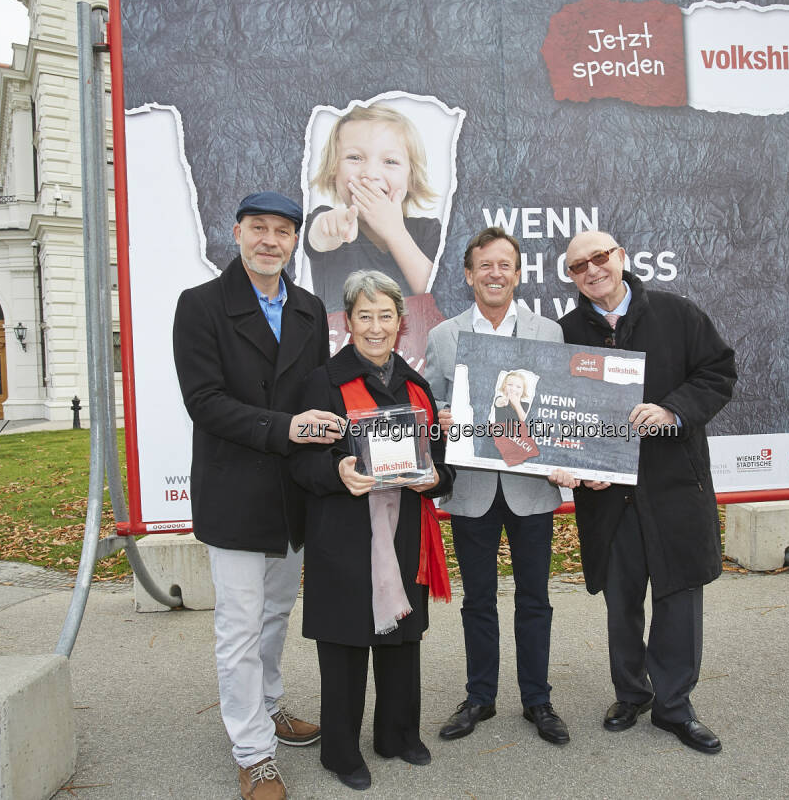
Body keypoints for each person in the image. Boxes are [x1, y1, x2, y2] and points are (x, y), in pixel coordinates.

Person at [172, 191, 343, 800]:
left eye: (282, 231)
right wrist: (287, 428)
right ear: (238, 232)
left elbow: (318, 386)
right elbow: (205, 402)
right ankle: (253, 753)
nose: (270, 240)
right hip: (236, 491)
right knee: (240, 625)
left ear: (296, 240)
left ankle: (267, 706)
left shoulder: (309, 307)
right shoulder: (200, 305)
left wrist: (328, 426)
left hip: (293, 490)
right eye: (258, 229)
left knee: (275, 614)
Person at [558, 230, 736, 754]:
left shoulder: (678, 315)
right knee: (621, 600)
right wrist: (572, 462)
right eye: (577, 266)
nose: (591, 270)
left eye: (600, 257)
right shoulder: (565, 333)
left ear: (621, 257)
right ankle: (630, 693)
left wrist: (672, 410)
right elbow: (554, 410)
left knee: (679, 596)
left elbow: (718, 372)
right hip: (608, 494)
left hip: (674, 486)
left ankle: (674, 706)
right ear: (570, 278)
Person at [290, 270, 455, 792]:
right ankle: (341, 751)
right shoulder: (322, 383)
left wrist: (436, 479)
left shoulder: (416, 385)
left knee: (402, 637)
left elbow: (441, 462)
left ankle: (398, 734)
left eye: (386, 315)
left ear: (402, 322)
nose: (376, 327)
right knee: (345, 641)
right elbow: (297, 463)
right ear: (348, 322)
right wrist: (335, 473)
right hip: (343, 529)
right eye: (365, 316)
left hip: (405, 528)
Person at [425, 227, 575, 746]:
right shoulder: (444, 336)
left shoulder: (548, 333)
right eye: (484, 265)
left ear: (517, 273)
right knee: (478, 601)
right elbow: (430, 408)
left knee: (535, 598)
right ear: (468, 275)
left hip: (531, 489)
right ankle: (480, 697)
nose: (495, 273)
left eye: (504, 265)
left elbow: (558, 412)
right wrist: (442, 418)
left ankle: (538, 699)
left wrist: (565, 456)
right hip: (472, 490)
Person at [304, 103, 442, 312]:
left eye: (390, 161)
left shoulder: (428, 231)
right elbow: (318, 236)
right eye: (355, 158)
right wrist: (330, 226)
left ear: (412, 178)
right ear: (333, 172)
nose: (370, 173)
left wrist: (394, 232)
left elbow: (438, 293)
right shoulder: (328, 218)